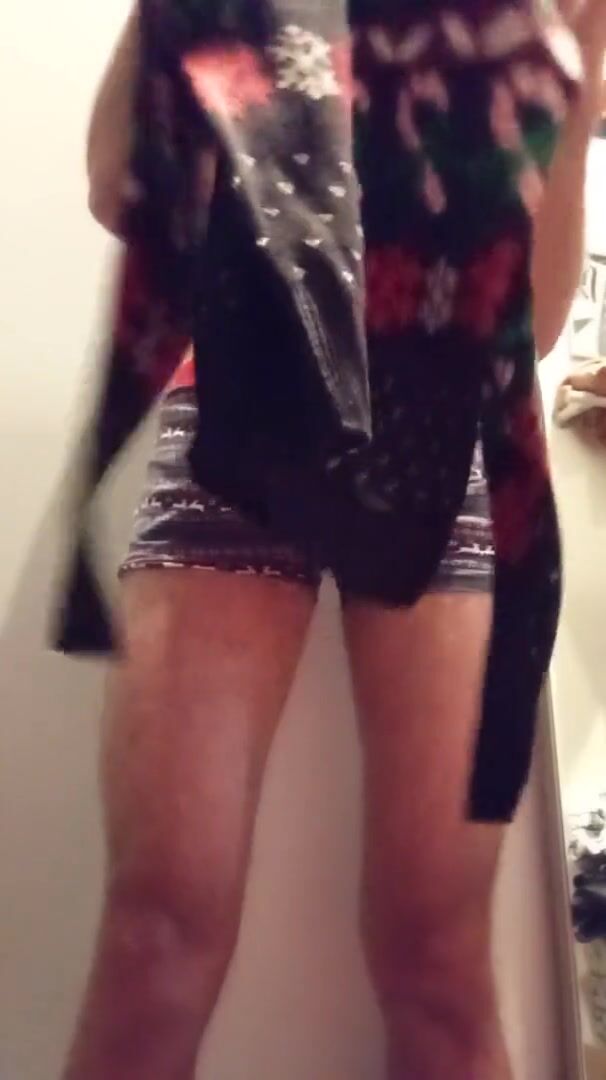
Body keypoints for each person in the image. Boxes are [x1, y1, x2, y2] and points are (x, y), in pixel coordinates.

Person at [63, 4, 606, 1079]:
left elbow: (537, 321)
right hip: (235, 413)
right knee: (157, 933)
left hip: (442, 428)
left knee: (439, 961)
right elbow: (117, 187)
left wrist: (579, 67)